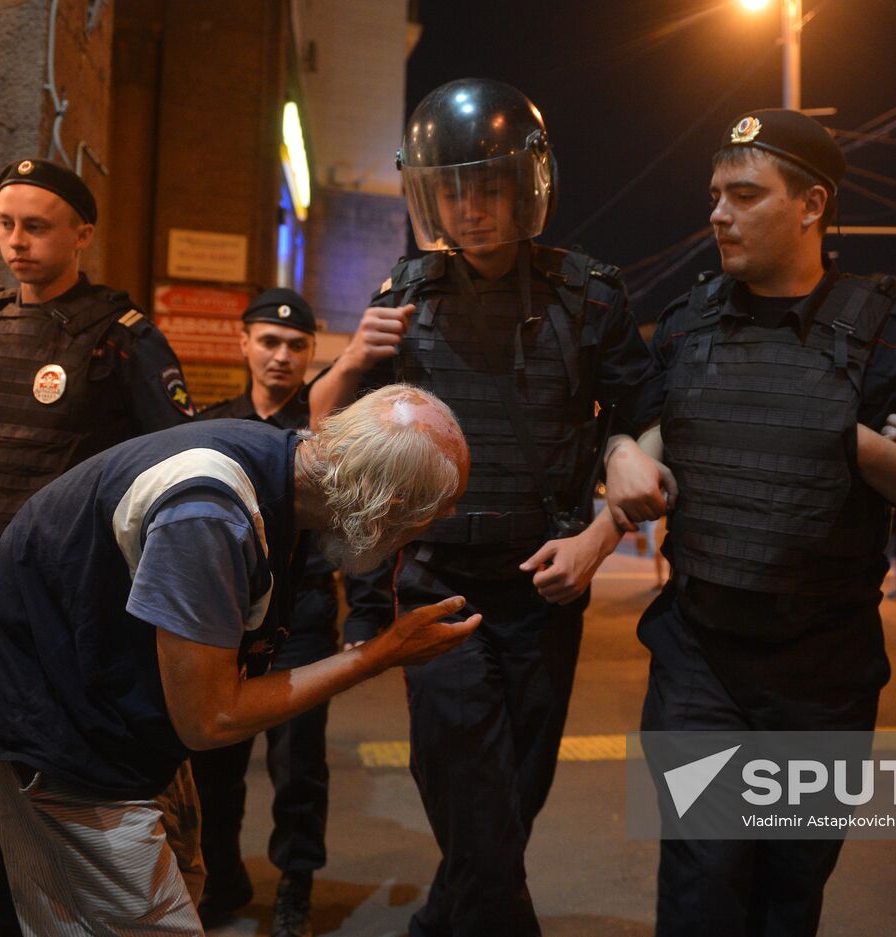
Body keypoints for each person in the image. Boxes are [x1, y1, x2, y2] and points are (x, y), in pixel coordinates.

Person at [614, 109, 896, 937]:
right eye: (715, 194)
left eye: (744, 195)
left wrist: (868, 449)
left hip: (822, 672)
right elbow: (639, 430)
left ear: (812, 204)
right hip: (701, 658)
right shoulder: (688, 322)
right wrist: (617, 453)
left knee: (788, 894)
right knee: (700, 884)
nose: (718, 213)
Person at [311, 78, 666, 937]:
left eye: (490, 185)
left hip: (548, 587)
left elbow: (648, 421)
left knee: (514, 793)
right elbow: (327, 438)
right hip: (437, 582)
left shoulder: (590, 296)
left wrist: (600, 535)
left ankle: (445, 917)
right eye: (454, 189)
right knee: (464, 783)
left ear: (526, 185)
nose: (471, 208)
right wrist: (357, 359)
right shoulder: (405, 294)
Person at [0, 385, 478, 936]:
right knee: (137, 920)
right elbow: (210, 718)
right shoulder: (210, 514)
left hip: (112, 694)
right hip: (49, 715)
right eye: (431, 517)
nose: (425, 533)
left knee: (181, 874)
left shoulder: (288, 466)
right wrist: (381, 654)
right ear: (386, 508)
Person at [0, 157, 197, 937]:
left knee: (71, 793)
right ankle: (3, 919)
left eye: (37, 226)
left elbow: (183, 467)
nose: (16, 242)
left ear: (82, 232)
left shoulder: (122, 341)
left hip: (75, 610)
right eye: (5, 224)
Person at [185, 288, 337, 936]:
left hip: (300, 616)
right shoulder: (213, 422)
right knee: (214, 760)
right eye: (268, 341)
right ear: (243, 343)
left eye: (296, 344)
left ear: (310, 353)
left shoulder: (328, 426)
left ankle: (295, 886)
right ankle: (223, 876)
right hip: (227, 620)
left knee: (297, 763)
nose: (281, 355)